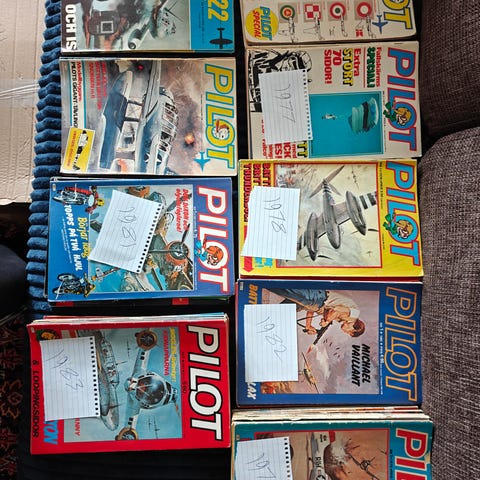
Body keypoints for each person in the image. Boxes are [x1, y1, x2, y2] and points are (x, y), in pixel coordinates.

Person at [270, 288, 365, 338]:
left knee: (278, 312)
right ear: (354, 329)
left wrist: (308, 326)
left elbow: (312, 309)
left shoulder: (342, 318)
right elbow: (335, 309)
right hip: (317, 298)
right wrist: (326, 321)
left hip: (313, 303)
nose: (345, 332)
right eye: (349, 332)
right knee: (282, 288)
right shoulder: (355, 314)